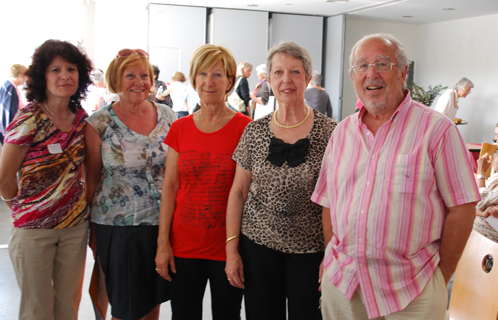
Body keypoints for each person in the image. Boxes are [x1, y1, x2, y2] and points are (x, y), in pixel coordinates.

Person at [312, 33, 480, 320]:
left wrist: (441, 276)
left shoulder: (436, 130)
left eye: (382, 64)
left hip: (412, 290)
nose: (371, 74)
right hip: (344, 284)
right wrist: (331, 256)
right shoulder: (342, 133)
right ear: (353, 75)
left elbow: (462, 208)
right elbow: (329, 200)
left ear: (402, 72)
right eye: (361, 66)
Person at [226, 41, 337, 320]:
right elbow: (238, 192)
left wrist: (332, 253)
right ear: (269, 79)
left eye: (295, 72)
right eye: (278, 72)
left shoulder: (331, 133)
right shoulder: (254, 130)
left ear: (308, 78)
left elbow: (337, 199)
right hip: (258, 247)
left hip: (311, 250)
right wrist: (232, 248)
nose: (286, 80)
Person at [155, 44, 251, 319]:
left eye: (218, 75)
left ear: (230, 81)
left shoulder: (245, 127)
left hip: (228, 245)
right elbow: (170, 187)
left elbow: (245, 190)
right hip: (184, 244)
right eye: (203, 74)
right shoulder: (180, 128)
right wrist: (163, 243)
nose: (209, 82)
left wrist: (236, 249)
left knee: (227, 314)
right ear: (194, 79)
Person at [0, 39, 92, 320]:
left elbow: (84, 169)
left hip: (74, 228)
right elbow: (4, 177)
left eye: (71, 69)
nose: (65, 76)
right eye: (55, 70)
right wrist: (22, 206)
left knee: (68, 307)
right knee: (37, 309)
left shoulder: (81, 119)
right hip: (33, 230)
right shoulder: (28, 117)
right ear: (42, 76)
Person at [85, 48, 177, 320]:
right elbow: (91, 180)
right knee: (126, 309)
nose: (140, 82)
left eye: (145, 75)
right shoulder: (98, 124)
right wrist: (92, 232)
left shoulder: (168, 117)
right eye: (130, 76)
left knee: (153, 302)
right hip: (119, 228)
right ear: (116, 79)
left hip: (163, 226)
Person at [0, 64, 28, 144]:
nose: (26, 79)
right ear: (20, 75)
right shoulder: (10, 88)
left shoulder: (9, 86)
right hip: (11, 133)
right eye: (26, 76)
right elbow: (10, 113)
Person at [474, 151, 498, 243]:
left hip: (487, 241)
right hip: (476, 232)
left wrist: (482, 172)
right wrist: (483, 213)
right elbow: (472, 207)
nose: (494, 157)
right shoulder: (495, 178)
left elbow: (478, 203)